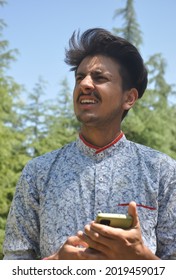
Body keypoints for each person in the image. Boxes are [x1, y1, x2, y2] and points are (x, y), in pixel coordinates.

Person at [3, 28, 176, 260]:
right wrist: (55, 265)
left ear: (129, 98)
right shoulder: (38, 173)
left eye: (99, 77)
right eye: (79, 77)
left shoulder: (162, 172)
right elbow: (13, 265)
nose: (85, 83)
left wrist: (140, 259)